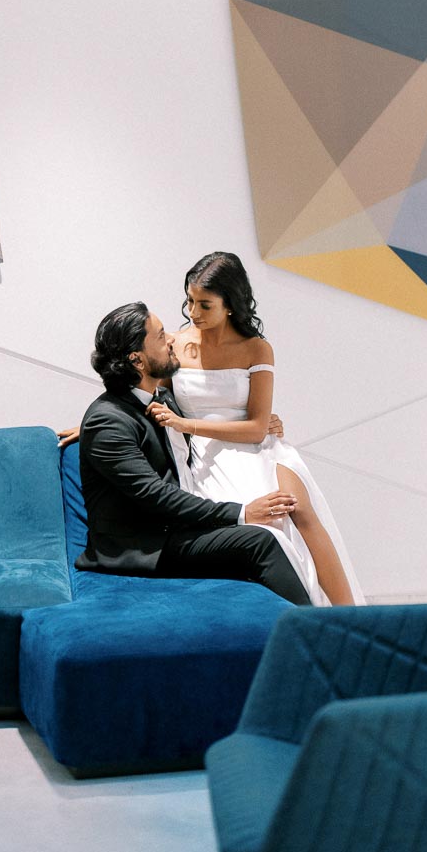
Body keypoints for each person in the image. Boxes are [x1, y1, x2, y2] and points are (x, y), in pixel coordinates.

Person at [148, 252, 362, 607]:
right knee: (261, 526)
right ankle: (291, 611)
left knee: (297, 508)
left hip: (256, 447)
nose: (193, 312)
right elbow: (143, 395)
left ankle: (348, 616)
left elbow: (258, 427)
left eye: (205, 305)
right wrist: (94, 426)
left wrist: (187, 424)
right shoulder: (176, 344)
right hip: (205, 456)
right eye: (190, 301)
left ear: (230, 305)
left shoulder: (256, 349)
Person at [76, 300, 313, 605]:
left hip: (177, 529)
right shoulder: (107, 422)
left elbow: (201, 423)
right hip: (145, 546)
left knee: (280, 525)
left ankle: (302, 624)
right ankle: (314, 630)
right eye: (161, 336)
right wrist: (242, 512)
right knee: (260, 541)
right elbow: (157, 496)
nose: (172, 340)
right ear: (137, 360)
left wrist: (263, 422)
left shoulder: (161, 398)